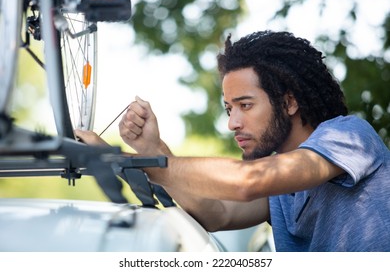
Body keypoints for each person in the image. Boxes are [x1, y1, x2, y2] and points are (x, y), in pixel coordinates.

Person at [75, 30, 390, 252]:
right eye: (228, 108)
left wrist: (123, 161)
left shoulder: (349, 136)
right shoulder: (279, 190)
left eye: (246, 105)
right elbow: (216, 214)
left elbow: (247, 181)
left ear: (289, 103)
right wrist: (151, 150)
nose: (232, 123)